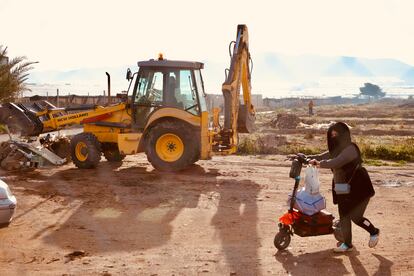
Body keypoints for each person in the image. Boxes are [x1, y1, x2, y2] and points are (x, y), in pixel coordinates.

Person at [308, 122, 379, 253]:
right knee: (344, 215)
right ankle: (347, 244)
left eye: (337, 135)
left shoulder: (350, 149)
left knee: (356, 217)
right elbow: (323, 156)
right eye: (332, 135)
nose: (334, 138)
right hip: (341, 186)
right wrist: (305, 157)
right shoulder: (336, 150)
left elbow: (336, 161)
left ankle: (374, 231)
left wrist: (318, 164)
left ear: (344, 135)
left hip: (359, 187)